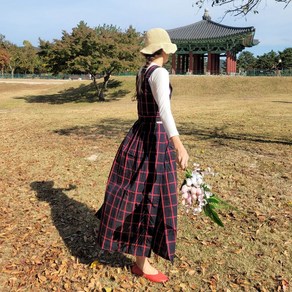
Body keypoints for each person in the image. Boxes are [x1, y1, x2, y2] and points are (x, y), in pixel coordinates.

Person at [96, 28, 189, 283]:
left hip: (140, 134)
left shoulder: (142, 71)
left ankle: (141, 259)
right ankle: (143, 263)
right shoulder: (159, 72)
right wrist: (178, 145)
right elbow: (165, 112)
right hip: (155, 139)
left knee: (144, 193)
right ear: (164, 51)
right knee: (149, 195)